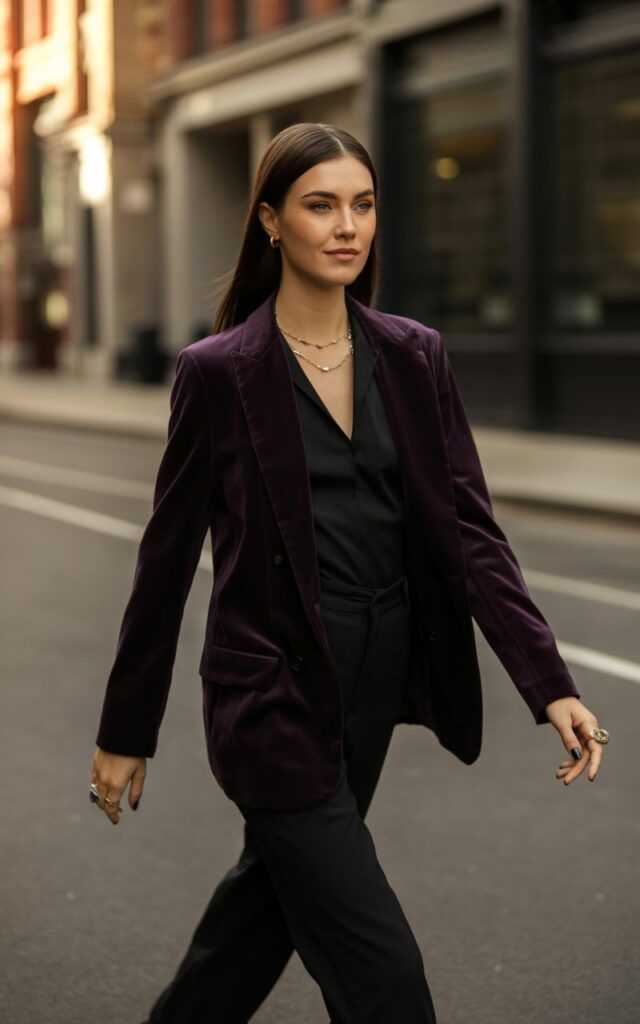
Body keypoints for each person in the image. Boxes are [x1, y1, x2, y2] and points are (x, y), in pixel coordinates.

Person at [89, 123, 609, 1024]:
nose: (347, 226)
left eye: (363, 205)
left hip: (373, 679)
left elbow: (471, 532)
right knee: (381, 970)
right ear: (270, 221)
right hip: (268, 695)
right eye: (320, 205)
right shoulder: (218, 373)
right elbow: (165, 561)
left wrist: (548, 681)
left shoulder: (414, 355)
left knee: (263, 913)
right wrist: (126, 729)